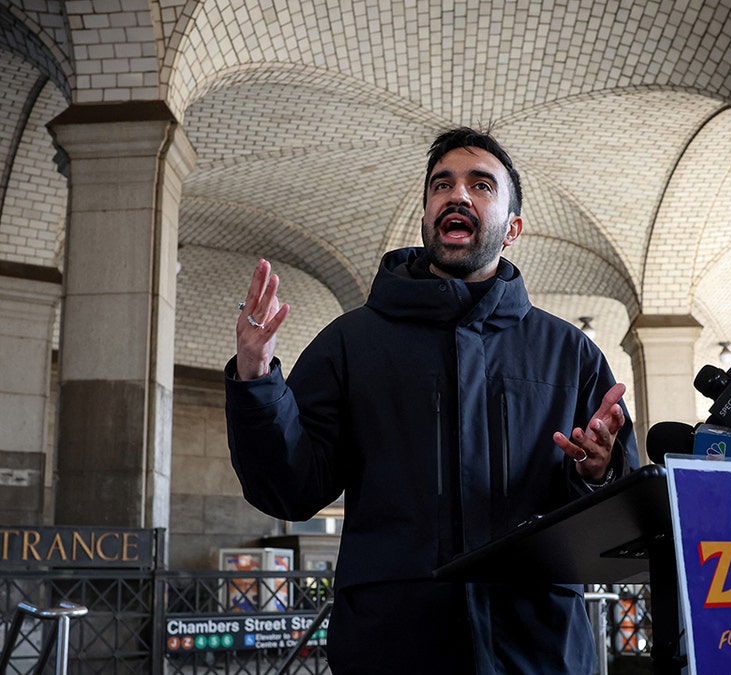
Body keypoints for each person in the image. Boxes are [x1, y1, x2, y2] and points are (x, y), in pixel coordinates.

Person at [225, 127, 639, 674]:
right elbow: (291, 487)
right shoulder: (352, 343)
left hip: (537, 649)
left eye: (481, 185)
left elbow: (617, 519)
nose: (458, 194)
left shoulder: (569, 353)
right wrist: (256, 377)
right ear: (426, 217)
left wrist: (600, 472)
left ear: (512, 228)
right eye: (442, 184)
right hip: (393, 645)